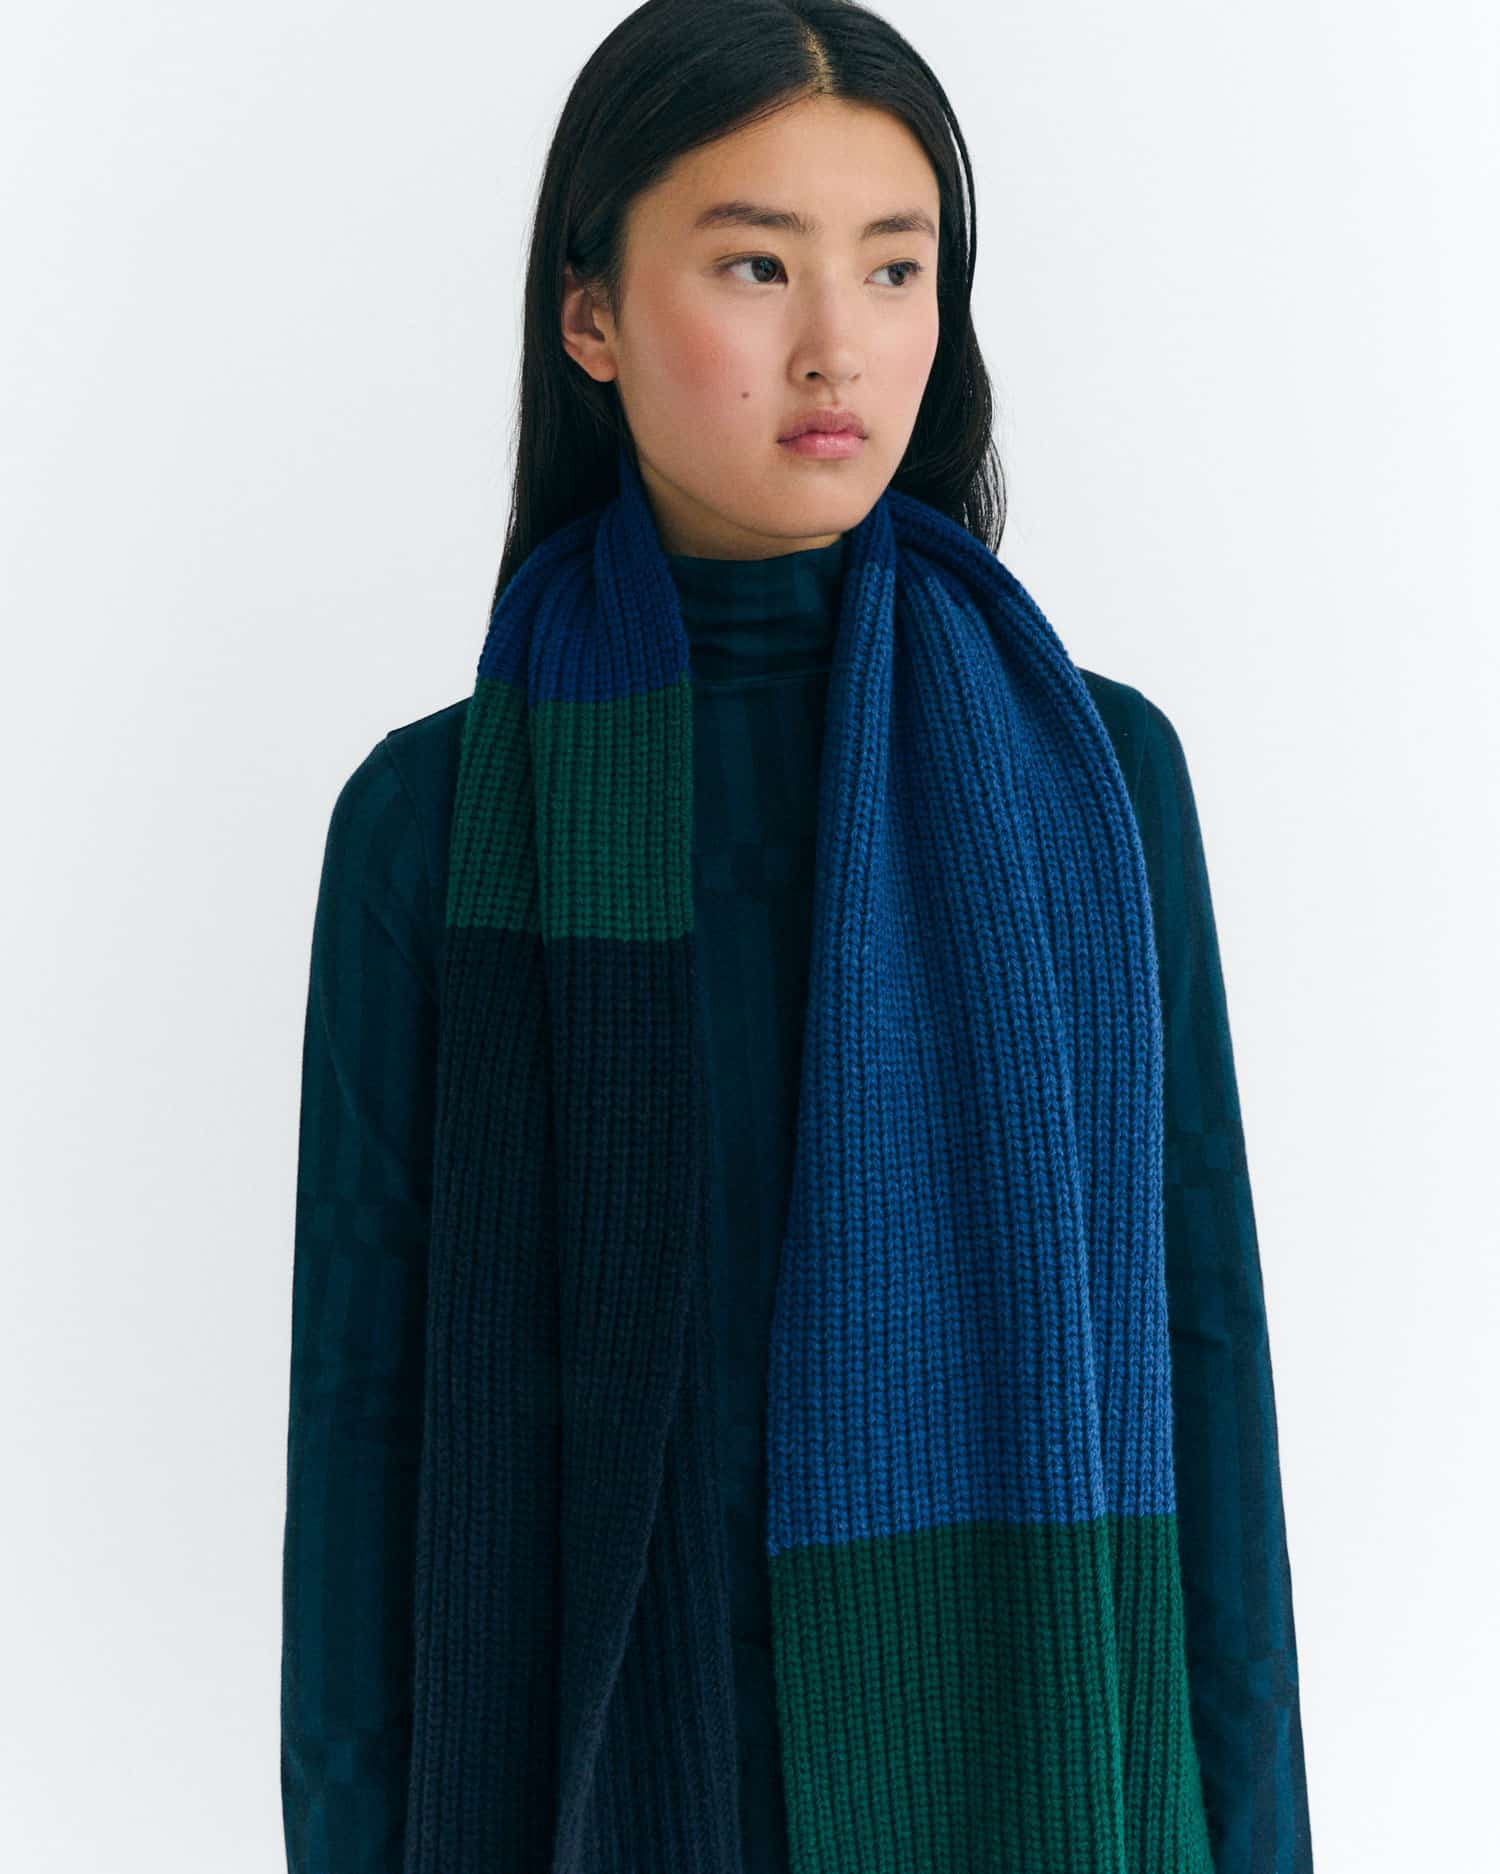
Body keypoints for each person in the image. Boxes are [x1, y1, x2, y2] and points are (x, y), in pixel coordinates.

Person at [280, 3, 1313, 1871]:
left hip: (1034, 1784)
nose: (839, 343)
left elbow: (1205, 1366)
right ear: (590, 315)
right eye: (758, 263)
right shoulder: (429, 827)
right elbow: (363, 1446)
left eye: (896, 268)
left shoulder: (1102, 787)